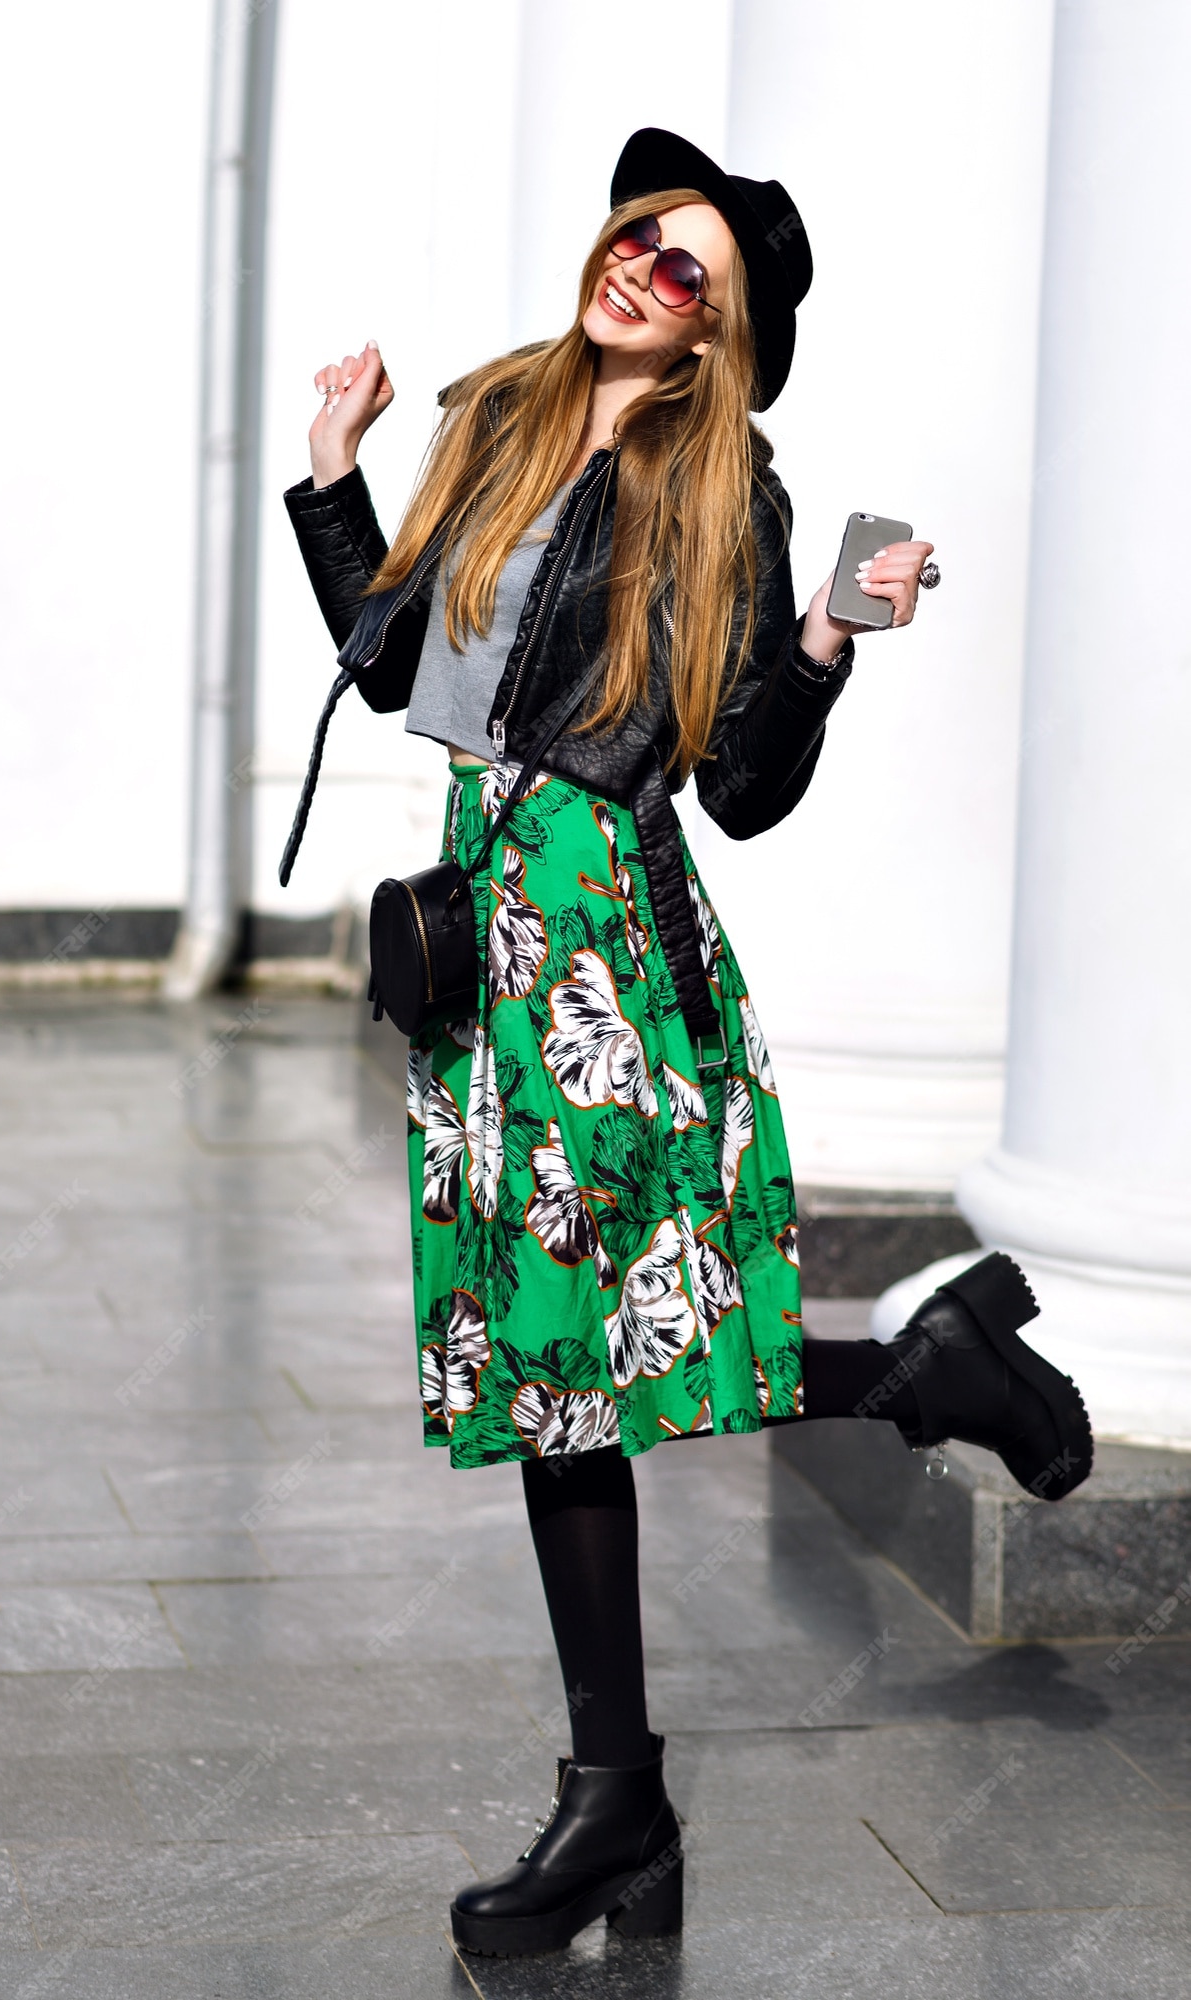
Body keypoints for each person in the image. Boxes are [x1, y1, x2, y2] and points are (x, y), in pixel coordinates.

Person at [283, 128, 1092, 1960]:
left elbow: (737, 782)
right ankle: (903, 1391)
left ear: (718, 339)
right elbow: (407, 673)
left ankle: (613, 1796)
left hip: (604, 936)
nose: (643, 267)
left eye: (686, 272)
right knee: (547, 1357)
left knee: (589, 1353)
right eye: (642, 234)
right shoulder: (495, 412)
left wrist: (819, 637)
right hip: (486, 920)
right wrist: (331, 483)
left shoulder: (726, 478)